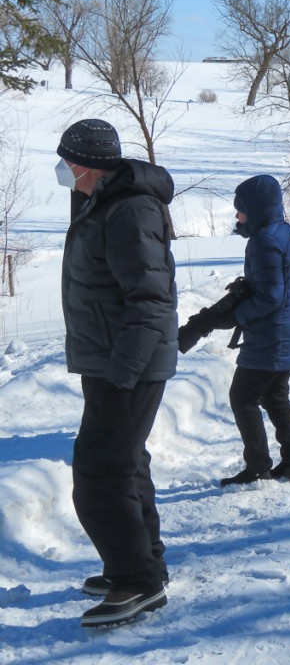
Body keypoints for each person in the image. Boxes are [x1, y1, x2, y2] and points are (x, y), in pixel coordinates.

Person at [57, 118, 177, 628]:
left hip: (127, 362)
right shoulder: (102, 200)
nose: (62, 170)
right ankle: (142, 564)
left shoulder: (128, 209)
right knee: (126, 463)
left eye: (66, 162)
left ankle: (137, 582)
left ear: (84, 164)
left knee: (99, 471)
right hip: (111, 357)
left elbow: (150, 299)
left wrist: (121, 373)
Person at [213, 174, 290, 486]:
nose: (237, 216)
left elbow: (272, 295)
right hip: (287, 332)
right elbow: (274, 283)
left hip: (273, 337)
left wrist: (238, 315)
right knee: (275, 396)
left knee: (242, 397)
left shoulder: (264, 240)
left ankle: (257, 466)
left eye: (240, 209)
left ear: (254, 210)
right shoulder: (281, 231)